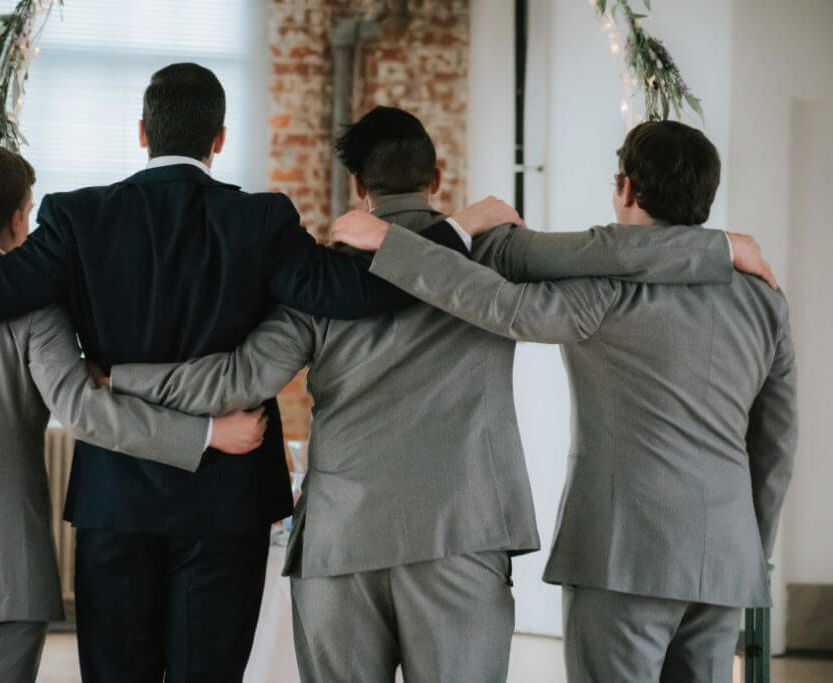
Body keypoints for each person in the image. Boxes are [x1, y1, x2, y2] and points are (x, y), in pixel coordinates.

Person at [0, 65, 475, 682]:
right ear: (219, 140)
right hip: (228, 501)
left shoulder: (77, 219)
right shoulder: (261, 220)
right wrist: (449, 236)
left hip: (116, 499)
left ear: (142, 130)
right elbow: (355, 294)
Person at [94, 108, 756, 682]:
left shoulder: (321, 276)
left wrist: (123, 376)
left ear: (358, 187)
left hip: (341, 547)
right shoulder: (493, 253)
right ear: (437, 178)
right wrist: (719, 250)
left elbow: (236, 380)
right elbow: (610, 253)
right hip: (462, 541)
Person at [332, 120, 796, 683]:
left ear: (625, 189)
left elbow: (500, 305)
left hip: (622, 555)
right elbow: (776, 442)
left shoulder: (605, 286)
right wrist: (752, 550)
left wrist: (391, 244)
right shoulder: (764, 298)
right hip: (727, 558)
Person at [0, 144, 267, 683]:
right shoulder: (37, 312)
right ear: (21, 219)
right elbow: (86, 414)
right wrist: (206, 433)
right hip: (7, 572)